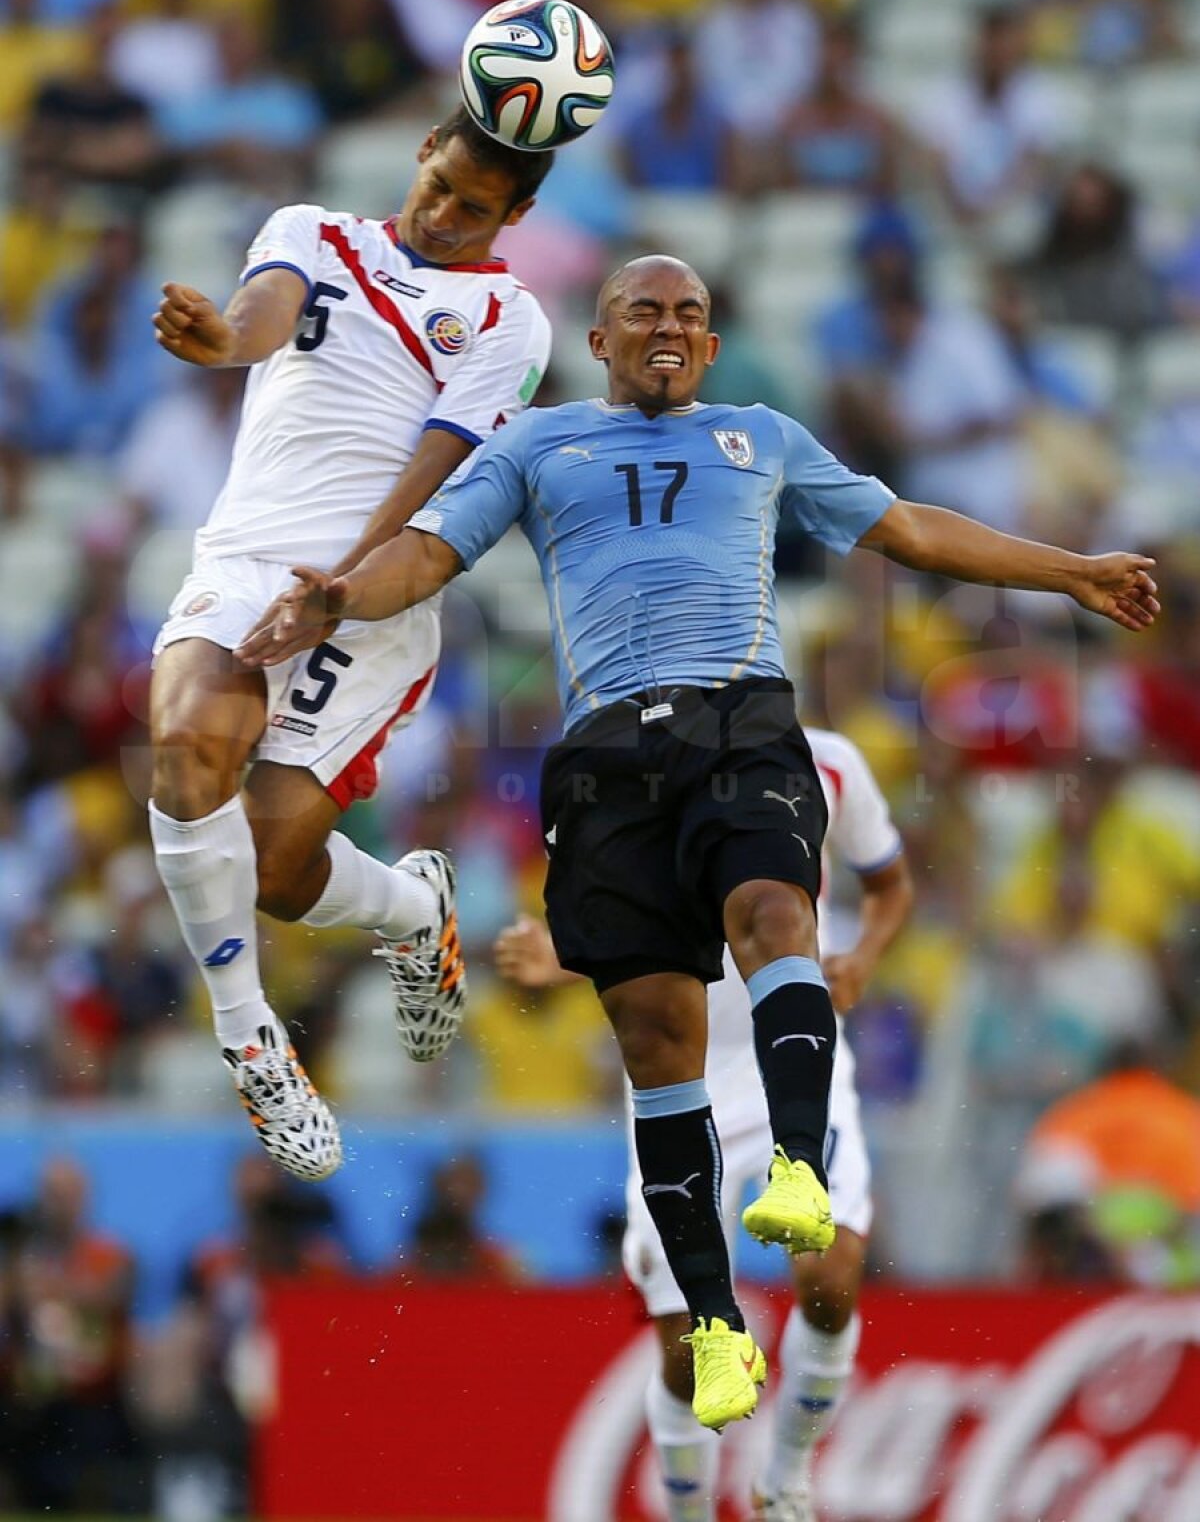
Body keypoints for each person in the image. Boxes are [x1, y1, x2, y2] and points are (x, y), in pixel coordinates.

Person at [238, 253, 1157, 1433]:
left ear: (712, 346)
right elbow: (430, 554)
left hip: (741, 713)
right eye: (643, 311)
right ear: (603, 338)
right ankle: (717, 1325)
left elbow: (911, 528)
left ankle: (798, 1168)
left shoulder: (761, 434)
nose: (668, 328)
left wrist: (1071, 572)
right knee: (657, 1039)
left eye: (690, 314)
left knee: (778, 914)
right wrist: (342, 595)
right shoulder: (535, 446)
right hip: (609, 756)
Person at [147, 105, 553, 1183]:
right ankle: (252, 1041)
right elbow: (262, 315)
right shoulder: (313, 232)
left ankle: (417, 910)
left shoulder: (508, 319)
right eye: (442, 185)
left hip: (368, 600)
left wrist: (340, 590)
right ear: (424, 147)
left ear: (517, 212)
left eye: (477, 208)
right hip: (240, 563)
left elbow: (439, 468)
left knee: (277, 871)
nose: (446, 213)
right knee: (187, 751)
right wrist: (222, 340)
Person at [494, 724, 914, 1522]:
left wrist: (863, 958)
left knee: (831, 1279)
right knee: (689, 1353)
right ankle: (688, 1511)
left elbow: (890, 883)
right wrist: (563, 955)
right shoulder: (621, 768)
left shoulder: (823, 763)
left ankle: (785, 1478)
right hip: (679, 1078)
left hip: (789, 1064)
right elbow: (600, 915)